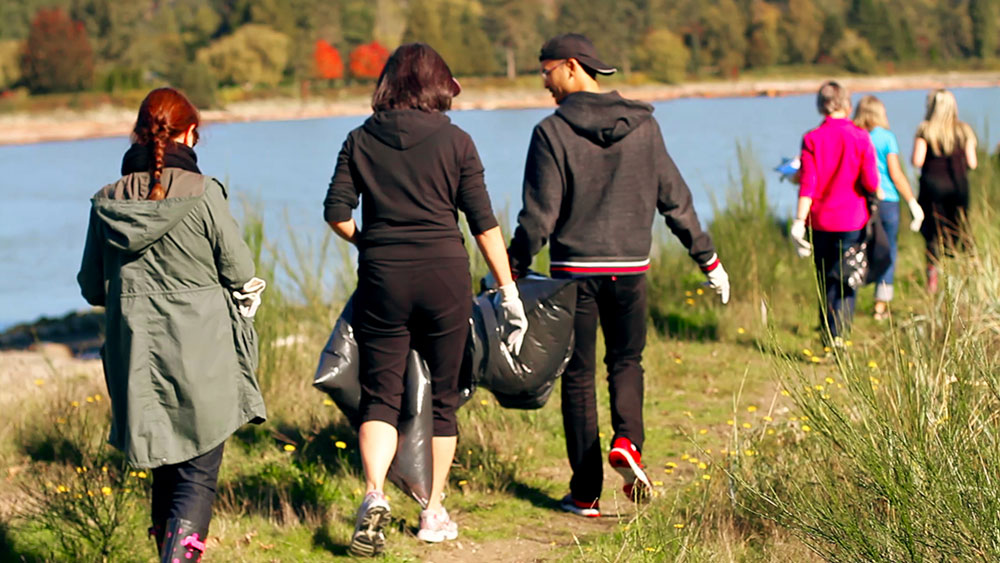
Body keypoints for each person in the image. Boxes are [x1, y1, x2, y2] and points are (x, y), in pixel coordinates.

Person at [507, 33, 730, 518]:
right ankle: (628, 442)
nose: (544, 82)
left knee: (578, 376)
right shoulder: (643, 127)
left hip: (573, 274)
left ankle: (585, 493)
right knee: (627, 361)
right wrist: (707, 258)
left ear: (571, 66)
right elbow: (675, 198)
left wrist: (511, 270)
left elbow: (538, 218)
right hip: (630, 271)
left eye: (546, 71)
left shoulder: (551, 133)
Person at [323, 43, 527, 556]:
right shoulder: (457, 141)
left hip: (383, 277)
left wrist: (367, 242)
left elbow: (337, 214)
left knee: (380, 394)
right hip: (444, 276)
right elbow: (483, 224)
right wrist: (508, 290)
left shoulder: (359, 139)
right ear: (437, 85)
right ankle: (432, 512)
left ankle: (374, 494)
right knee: (444, 397)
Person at [77, 87, 267, 563]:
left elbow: (92, 287)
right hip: (203, 355)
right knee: (196, 476)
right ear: (190, 133)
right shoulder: (204, 194)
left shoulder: (106, 201)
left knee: (164, 469)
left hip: (137, 361)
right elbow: (241, 271)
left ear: (138, 133)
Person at [790, 81, 879, 344]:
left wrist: (798, 221)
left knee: (825, 277)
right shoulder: (860, 137)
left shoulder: (812, 138)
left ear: (821, 105)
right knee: (848, 277)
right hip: (852, 220)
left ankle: (828, 331)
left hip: (820, 221)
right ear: (847, 104)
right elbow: (871, 182)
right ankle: (840, 334)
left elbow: (807, 184)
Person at [852, 95, 924, 320]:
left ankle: (849, 299)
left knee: (858, 248)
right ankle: (880, 306)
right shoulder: (886, 138)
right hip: (888, 202)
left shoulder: (854, 136)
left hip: (861, 200)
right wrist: (912, 201)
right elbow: (896, 174)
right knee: (888, 250)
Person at [911, 88, 978, 293]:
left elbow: (917, 160)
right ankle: (969, 272)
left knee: (933, 233)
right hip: (958, 187)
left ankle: (932, 278)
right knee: (961, 227)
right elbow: (973, 163)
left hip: (932, 188)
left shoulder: (925, 130)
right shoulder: (964, 130)